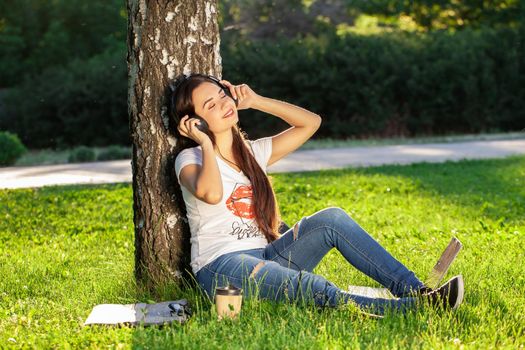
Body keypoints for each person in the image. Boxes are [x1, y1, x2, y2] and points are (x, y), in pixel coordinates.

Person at [170, 73, 464, 316]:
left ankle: (416, 291)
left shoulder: (252, 153)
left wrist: (257, 101)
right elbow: (210, 193)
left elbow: (311, 122)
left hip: (267, 256)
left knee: (331, 219)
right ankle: (415, 310)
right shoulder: (190, 159)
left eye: (222, 94)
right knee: (312, 286)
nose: (223, 103)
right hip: (222, 268)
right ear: (195, 122)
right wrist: (206, 143)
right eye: (210, 104)